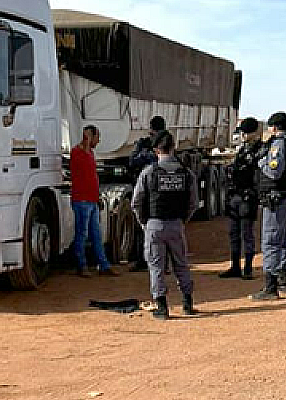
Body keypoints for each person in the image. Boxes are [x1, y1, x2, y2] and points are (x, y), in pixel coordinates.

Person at [131, 131, 198, 319]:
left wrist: (145, 223)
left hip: (154, 225)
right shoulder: (186, 173)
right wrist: (183, 220)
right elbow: (193, 203)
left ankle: (162, 307)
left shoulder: (149, 172)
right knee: (182, 265)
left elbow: (136, 202)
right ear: (173, 147)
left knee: (156, 267)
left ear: (155, 150)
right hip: (176, 224)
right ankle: (187, 304)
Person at [249, 111, 286, 301]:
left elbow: (274, 172)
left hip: (276, 200)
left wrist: (261, 162)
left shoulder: (278, 144)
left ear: (274, 128)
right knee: (284, 241)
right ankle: (283, 281)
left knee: (271, 242)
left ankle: (270, 287)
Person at [70, 125, 118, 277]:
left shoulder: (90, 153)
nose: (98, 141)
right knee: (82, 234)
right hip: (82, 200)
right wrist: (87, 138)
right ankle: (81, 265)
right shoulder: (78, 152)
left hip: (91, 199)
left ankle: (103, 265)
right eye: (97, 137)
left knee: (96, 235)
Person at [220, 117, 264, 280]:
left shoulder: (260, 150)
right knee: (234, 234)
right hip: (236, 196)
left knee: (247, 234)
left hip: (248, 196)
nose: (243, 135)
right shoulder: (243, 149)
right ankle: (235, 266)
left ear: (253, 133)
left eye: (245, 133)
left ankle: (248, 268)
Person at [126, 115, 167, 271]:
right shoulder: (143, 144)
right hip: (146, 190)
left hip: (159, 192)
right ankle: (143, 260)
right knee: (142, 228)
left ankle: (161, 262)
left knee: (160, 229)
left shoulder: (166, 144)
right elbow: (132, 161)